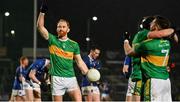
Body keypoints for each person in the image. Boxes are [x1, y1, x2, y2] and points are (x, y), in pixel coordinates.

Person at [37, 0, 89, 101]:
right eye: (59, 27)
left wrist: (88, 73)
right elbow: (40, 27)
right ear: (56, 29)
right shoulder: (52, 40)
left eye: (63, 27)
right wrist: (42, 12)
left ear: (68, 29)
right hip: (56, 79)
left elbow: (79, 62)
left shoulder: (74, 45)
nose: (61, 28)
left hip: (71, 78)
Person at [124, 16, 177, 101]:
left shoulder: (146, 44)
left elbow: (129, 52)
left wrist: (126, 40)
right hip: (165, 80)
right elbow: (169, 37)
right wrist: (173, 30)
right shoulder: (167, 43)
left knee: (133, 94)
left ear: (155, 26)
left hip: (149, 78)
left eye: (153, 22)